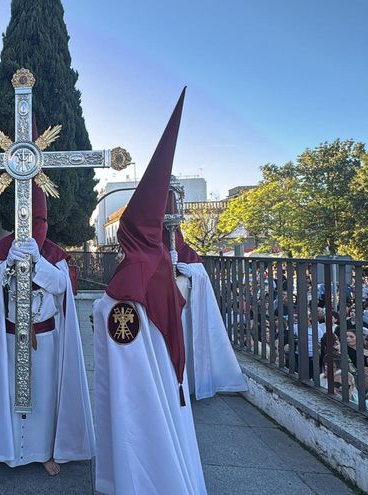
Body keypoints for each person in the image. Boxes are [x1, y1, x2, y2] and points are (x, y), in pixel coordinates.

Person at [93, 89, 207, 494]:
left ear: (127, 233)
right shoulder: (159, 264)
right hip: (166, 375)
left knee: (145, 433)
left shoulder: (132, 276)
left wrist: (99, 310)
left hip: (142, 385)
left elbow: (118, 325)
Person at [0, 182, 94, 476]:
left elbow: (61, 288)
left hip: (45, 339)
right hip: (7, 338)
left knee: (44, 396)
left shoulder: (54, 255)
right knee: (3, 393)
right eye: (30, 220)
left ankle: (44, 451)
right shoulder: (1, 252)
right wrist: (8, 264)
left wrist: (38, 262)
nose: (35, 227)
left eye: (41, 221)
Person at [170, 228, 247, 399]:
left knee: (187, 346)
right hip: (166, 312)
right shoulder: (157, 252)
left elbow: (203, 279)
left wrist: (192, 274)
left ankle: (189, 383)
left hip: (187, 315)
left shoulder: (188, 254)